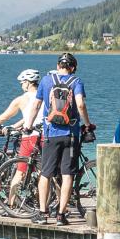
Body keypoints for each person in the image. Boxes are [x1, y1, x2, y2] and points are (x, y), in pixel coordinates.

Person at [34, 53, 92, 226]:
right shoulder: (76, 82)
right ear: (73, 67)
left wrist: (28, 124)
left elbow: (36, 105)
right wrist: (87, 124)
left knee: (46, 173)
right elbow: (80, 104)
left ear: (58, 65)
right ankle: (61, 215)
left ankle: (43, 214)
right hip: (71, 135)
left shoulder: (45, 80)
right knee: (67, 175)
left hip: (50, 134)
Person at [0, 69, 44, 216]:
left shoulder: (22, 99)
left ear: (28, 82)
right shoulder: (44, 95)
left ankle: (10, 204)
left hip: (30, 137)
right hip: (45, 136)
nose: (21, 85)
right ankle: (51, 206)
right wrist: (14, 127)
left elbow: (4, 116)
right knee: (45, 172)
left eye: (22, 82)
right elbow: (30, 117)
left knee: (20, 172)